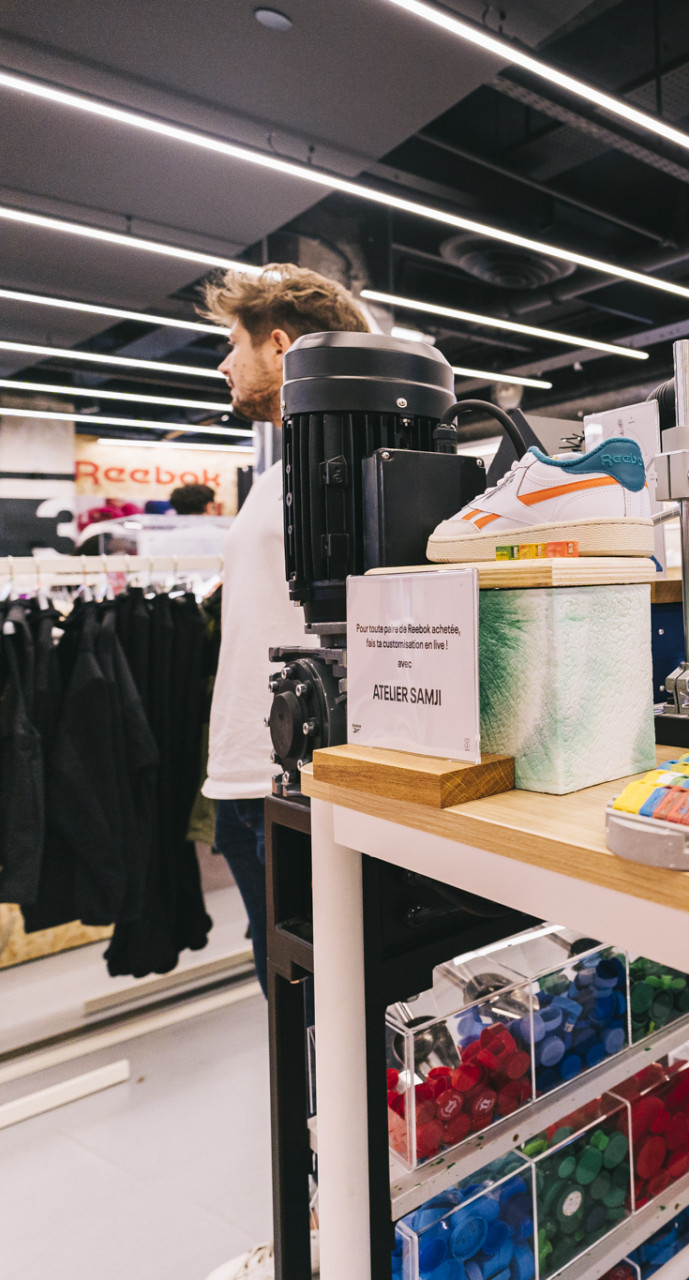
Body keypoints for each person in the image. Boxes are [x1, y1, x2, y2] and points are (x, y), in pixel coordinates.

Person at [200, 263, 367, 1280]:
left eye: (234, 344)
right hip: (247, 781)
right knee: (297, 1019)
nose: (224, 365)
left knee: (319, 1024)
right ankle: (322, 1222)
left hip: (286, 786)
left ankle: (328, 1233)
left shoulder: (332, 459)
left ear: (278, 344)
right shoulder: (281, 464)